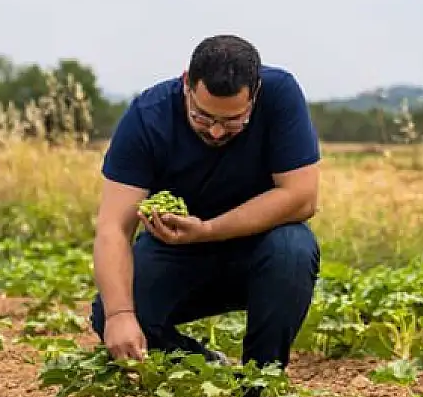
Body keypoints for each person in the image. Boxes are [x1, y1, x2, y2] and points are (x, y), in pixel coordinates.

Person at [89, 34, 322, 377]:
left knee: (294, 248)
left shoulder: (281, 94)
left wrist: (209, 229)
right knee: (109, 311)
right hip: (177, 249)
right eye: (201, 117)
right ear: (186, 83)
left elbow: (301, 197)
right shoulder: (147, 117)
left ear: (255, 94)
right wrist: (120, 315)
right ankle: (200, 368)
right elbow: (113, 227)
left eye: (232, 121)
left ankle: (260, 383)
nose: (215, 132)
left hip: (259, 247)